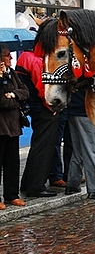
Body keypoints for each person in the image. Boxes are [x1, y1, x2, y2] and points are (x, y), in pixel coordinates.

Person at [16, 19, 62, 197]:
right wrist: (52, 107)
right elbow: (43, 88)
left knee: (38, 146)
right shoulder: (37, 61)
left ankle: (28, 184)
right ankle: (36, 186)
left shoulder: (25, 57)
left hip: (33, 107)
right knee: (43, 148)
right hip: (43, 109)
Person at [65, 88, 95, 201]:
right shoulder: (87, 70)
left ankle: (72, 184)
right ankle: (94, 189)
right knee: (92, 150)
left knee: (78, 150)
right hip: (86, 110)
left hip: (73, 109)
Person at [0, 44, 30, 209]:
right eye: (7, 56)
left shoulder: (11, 74)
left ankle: (12, 195)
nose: (11, 58)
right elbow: (2, 102)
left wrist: (13, 95)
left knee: (12, 163)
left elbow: (25, 92)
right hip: (1, 126)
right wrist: (13, 99)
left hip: (13, 125)